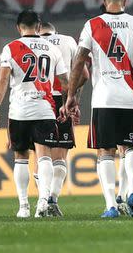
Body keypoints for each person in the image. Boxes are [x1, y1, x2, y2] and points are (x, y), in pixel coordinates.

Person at [64, 0, 133, 218]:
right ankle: (132, 192)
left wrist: (71, 95)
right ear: (124, 1)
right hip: (130, 96)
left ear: (105, 2)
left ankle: (111, 206)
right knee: (131, 146)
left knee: (105, 151)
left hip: (104, 98)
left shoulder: (92, 24)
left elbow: (78, 62)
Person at [0, 10, 67, 218]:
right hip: (44, 108)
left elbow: (3, 80)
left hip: (19, 111)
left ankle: (24, 206)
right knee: (44, 157)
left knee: (21, 158)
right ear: (39, 27)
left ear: (18, 27)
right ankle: (43, 201)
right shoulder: (52, 48)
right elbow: (65, 82)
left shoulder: (10, 48)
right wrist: (68, 104)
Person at [39, 21, 87, 217]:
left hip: (39, 99)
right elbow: (83, 74)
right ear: (54, 31)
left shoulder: (29, 44)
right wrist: (73, 99)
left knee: (41, 155)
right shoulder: (68, 41)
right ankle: (52, 199)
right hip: (62, 98)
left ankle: (40, 202)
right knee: (60, 156)